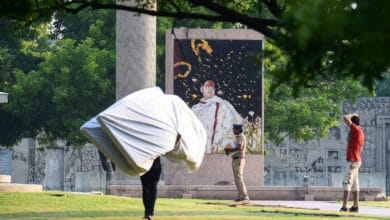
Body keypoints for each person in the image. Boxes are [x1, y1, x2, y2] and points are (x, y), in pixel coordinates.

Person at [192, 80, 242, 153]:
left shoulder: (223, 105)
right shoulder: (195, 109)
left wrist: (226, 148)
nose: (210, 89)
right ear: (201, 89)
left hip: (219, 148)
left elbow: (231, 128)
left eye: (213, 87)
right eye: (207, 86)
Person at [340, 113, 365, 212]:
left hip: (353, 160)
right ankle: (355, 206)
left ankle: (344, 206)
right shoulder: (361, 133)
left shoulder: (356, 130)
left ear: (353, 123)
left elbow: (345, 118)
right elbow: (361, 148)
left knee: (347, 182)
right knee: (355, 184)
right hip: (357, 160)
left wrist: (353, 114)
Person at [224, 124, 249, 204]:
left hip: (239, 160)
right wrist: (227, 150)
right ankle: (240, 196)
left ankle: (245, 197)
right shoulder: (237, 137)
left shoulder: (241, 137)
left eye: (234, 129)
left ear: (238, 129)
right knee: (237, 179)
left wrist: (229, 149)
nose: (233, 131)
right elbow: (235, 147)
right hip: (235, 159)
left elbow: (239, 147)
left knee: (239, 178)